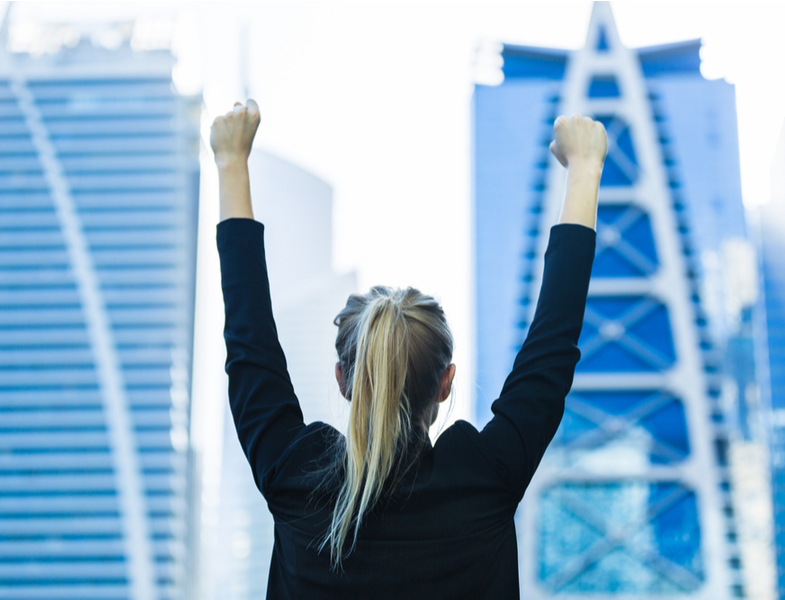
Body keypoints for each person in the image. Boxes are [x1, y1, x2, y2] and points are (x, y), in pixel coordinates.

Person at [212, 99, 606, 599]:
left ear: (343, 378)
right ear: (446, 383)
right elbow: (552, 346)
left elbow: (249, 346)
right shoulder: (483, 479)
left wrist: (230, 162)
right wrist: (586, 168)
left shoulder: (298, 478)